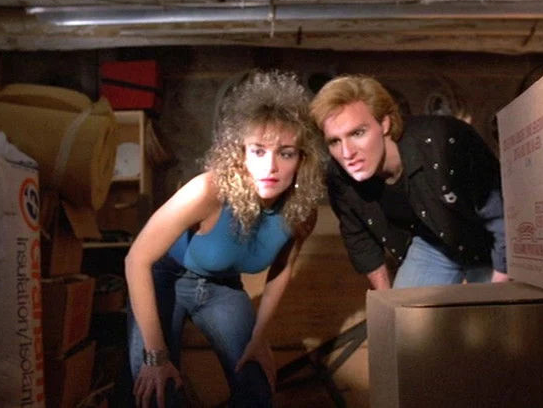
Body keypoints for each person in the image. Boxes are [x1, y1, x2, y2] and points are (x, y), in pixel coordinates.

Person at [125, 70, 325, 408]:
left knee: (258, 391)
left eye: (286, 153)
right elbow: (136, 259)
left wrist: (259, 336)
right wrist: (155, 356)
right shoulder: (208, 190)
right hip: (165, 277)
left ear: (302, 159)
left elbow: (281, 271)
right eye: (258, 151)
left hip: (222, 287)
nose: (271, 167)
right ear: (240, 153)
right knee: (158, 394)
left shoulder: (301, 212)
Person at [309, 75, 508, 290]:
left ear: (384, 123)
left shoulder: (444, 142)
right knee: (401, 310)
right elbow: (360, 240)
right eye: (335, 141)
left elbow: (503, 216)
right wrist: (387, 301)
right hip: (433, 244)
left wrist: (498, 290)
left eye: (357, 133)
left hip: (487, 241)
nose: (347, 153)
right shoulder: (340, 176)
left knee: (490, 309)